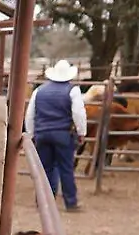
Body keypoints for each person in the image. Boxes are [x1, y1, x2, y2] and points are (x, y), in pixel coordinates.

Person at [24, 60, 87, 211]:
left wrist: (31, 133)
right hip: (62, 134)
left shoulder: (39, 91)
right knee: (66, 168)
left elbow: (30, 114)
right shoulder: (72, 91)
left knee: (45, 169)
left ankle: (43, 202)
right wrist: (81, 132)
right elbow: (79, 113)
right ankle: (71, 202)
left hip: (42, 134)